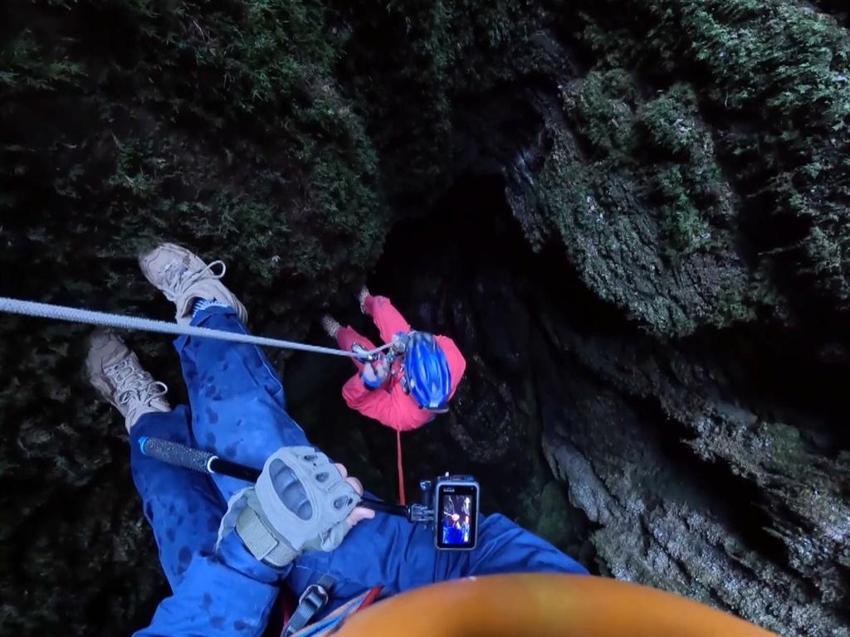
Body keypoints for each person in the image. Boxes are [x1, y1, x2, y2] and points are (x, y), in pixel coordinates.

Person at [85, 243, 588, 637]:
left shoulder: (405, 415)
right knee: (248, 442)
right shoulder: (428, 358)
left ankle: (148, 418)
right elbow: (501, 556)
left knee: (170, 495)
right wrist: (369, 311)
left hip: (288, 623)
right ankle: (207, 311)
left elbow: (357, 401)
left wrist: (369, 382)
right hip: (392, 579)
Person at [321, 289, 467, 433]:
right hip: (409, 344)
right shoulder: (456, 360)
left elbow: (352, 398)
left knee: (362, 353)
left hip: (390, 380)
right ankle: (366, 300)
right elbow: (436, 340)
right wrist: (411, 338)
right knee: (381, 306)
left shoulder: (405, 417)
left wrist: (366, 382)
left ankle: (336, 331)